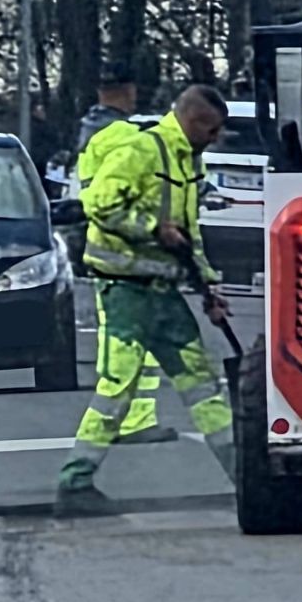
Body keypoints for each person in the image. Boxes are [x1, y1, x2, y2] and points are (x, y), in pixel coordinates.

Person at [56, 85, 235, 514]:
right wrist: (153, 228)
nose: (215, 138)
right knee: (118, 387)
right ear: (191, 121)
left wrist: (209, 288)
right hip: (125, 292)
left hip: (162, 293)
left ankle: (243, 474)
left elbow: (188, 236)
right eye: (211, 130)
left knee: (203, 386)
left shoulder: (187, 161)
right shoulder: (142, 150)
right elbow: (99, 204)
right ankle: (75, 481)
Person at [73, 62, 175, 445]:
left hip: (105, 250)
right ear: (128, 91)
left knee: (120, 339)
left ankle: (127, 419)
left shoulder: (91, 133)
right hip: (126, 252)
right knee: (131, 343)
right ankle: (129, 422)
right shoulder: (120, 135)